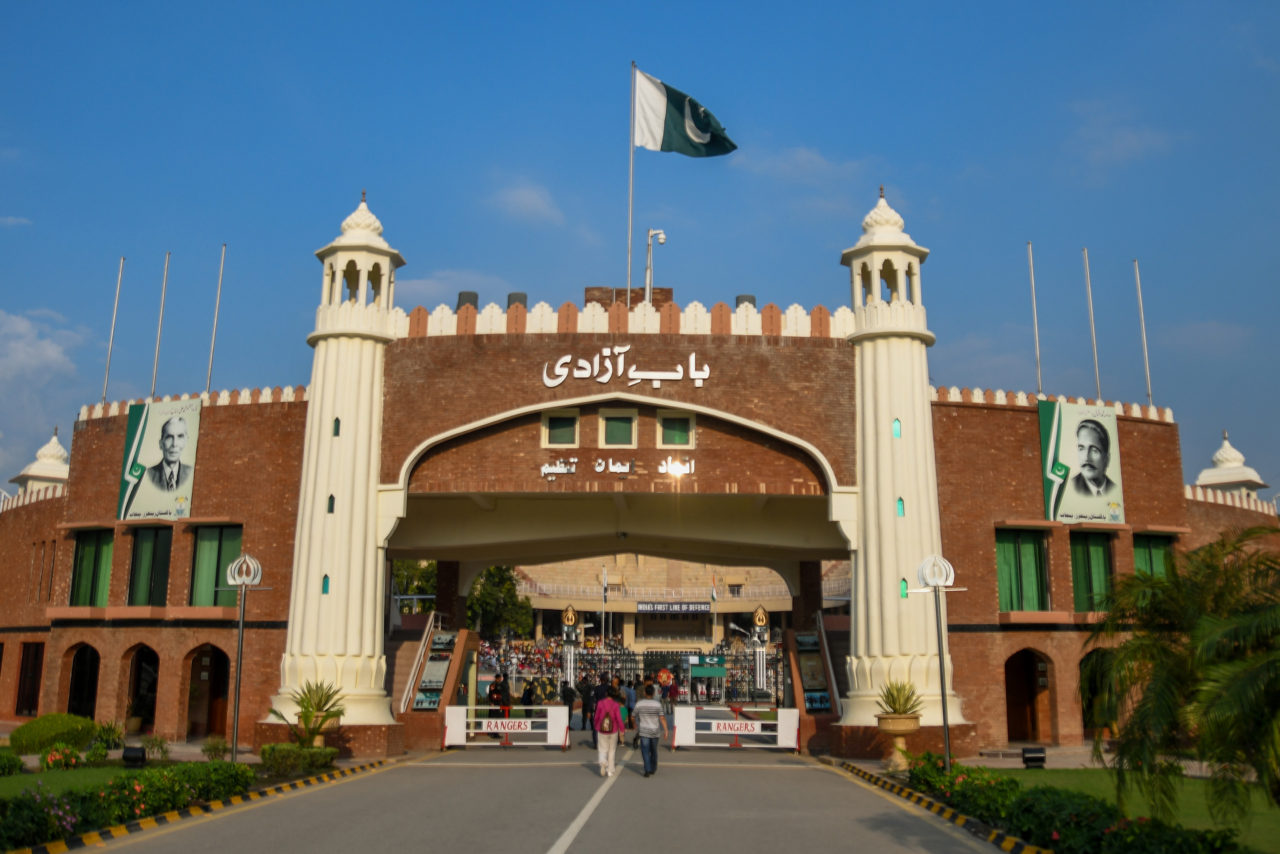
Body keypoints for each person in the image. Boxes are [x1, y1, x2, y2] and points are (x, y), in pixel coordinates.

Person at [145, 416, 192, 492]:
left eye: (180, 436)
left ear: (185, 442)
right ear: (161, 444)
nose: (174, 444)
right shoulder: (148, 475)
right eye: (169, 437)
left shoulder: (191, 473)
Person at [1071, 419, 1117, 497]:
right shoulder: (1071, 487)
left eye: (1094, 450)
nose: (1086, 458)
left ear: (1107, 459)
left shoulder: (1114, 489)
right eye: (1081, 448)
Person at [634, 683, 668, 778]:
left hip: (644, 731)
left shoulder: (639, 704)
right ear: (653, 693)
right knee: (653, 750)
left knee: (645, 750)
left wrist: (634, 724)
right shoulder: (657, 704)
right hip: (655, 731)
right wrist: (666, 730)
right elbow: (662, 718)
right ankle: (653, 767)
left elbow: (633, 715)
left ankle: (647, 769)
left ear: (645, 693)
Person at [593, 687, 624, 777]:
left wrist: (596, 725)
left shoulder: (600, 703)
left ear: (606, 693)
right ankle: (610, 770)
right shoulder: (615, 705)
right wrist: (621, 729)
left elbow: (596, 716)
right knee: (612, 750)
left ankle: (603, 762)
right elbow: (619, 718)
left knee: (602, 748)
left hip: (601, 729)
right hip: (613, 729)